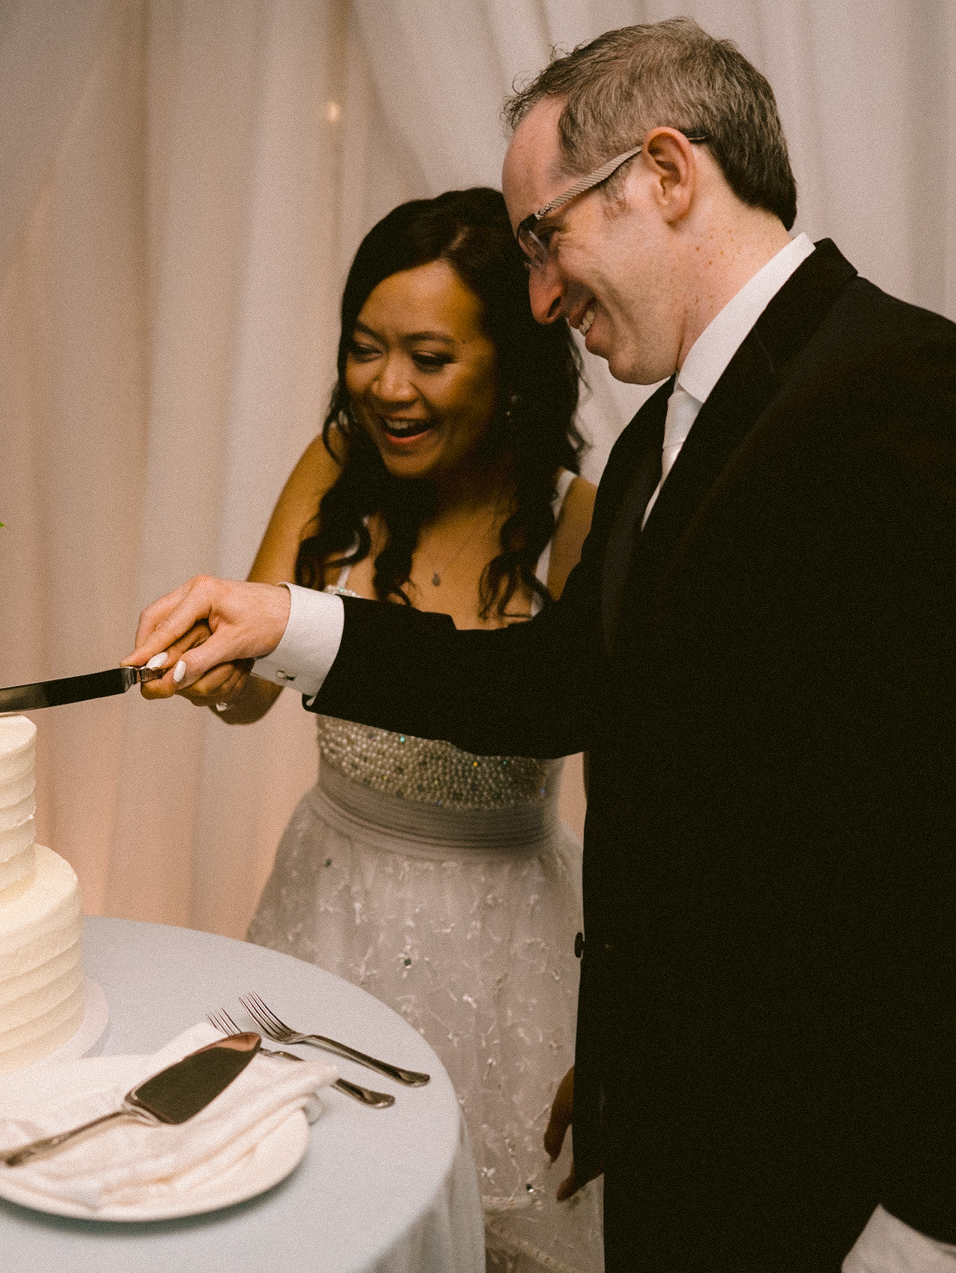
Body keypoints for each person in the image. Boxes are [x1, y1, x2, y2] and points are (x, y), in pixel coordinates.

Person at [129, 18, 956, 1273]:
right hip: (690, 1137)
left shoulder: (911, 394)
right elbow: (561, 689)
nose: (539, 294)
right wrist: (291, 621)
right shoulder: (663, 437)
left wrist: (950, 1226)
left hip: (843, 1173)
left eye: (546, 236)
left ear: (664, 171)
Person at [188, 187, 601, 1272]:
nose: (386, 385)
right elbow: (249, 689)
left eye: (428, 355)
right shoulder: (335, 468)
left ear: (512, 364)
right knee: (300, 1213)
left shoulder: (576, 518)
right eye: (366, 349)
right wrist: (202, 666)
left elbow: (628, 762)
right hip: (327, 902)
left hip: (511, 947)